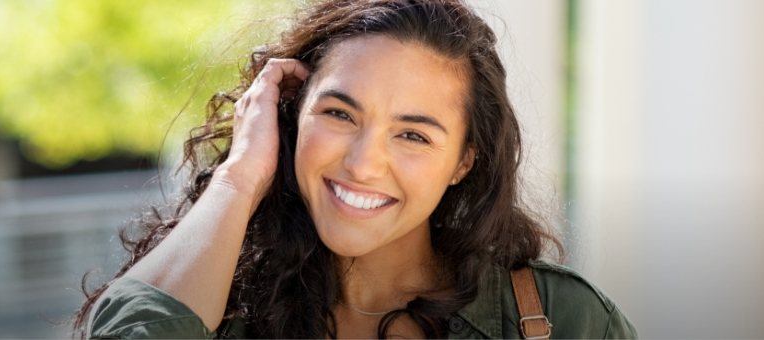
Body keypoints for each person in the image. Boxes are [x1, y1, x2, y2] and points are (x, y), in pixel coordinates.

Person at [74, 0, 637, 338]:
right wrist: (240, 178)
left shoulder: (566, 320)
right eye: (340, 114)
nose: (364, 162)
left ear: (464, 161)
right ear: (292, 114)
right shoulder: (220, 307)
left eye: (413, 134)